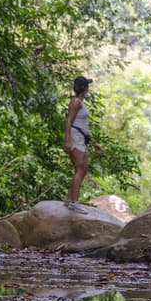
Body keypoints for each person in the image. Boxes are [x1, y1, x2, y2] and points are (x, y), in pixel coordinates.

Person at [63, 75, 102, 214]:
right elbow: (69, 121)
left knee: (83, 169)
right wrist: (68, 140)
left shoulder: (80, 102)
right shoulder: (75, 102)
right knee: (80, 168)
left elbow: (83, 125)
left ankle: (69, 199)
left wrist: (93, 142)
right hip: (75, 137)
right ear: (84, 88)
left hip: (80, 136)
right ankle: (74, 203)